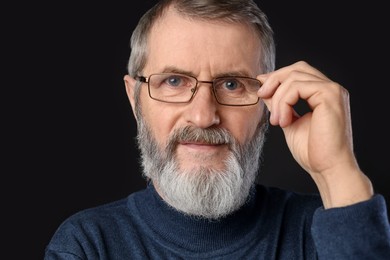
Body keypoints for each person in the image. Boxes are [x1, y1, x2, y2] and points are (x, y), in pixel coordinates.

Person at [44, 0, 390, 259]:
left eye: (231, 84)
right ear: (135, 99)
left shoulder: (326, 231)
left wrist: (338, 172)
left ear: (267, 98)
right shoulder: (88, 245)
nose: (203, 116)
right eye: (174, 81)